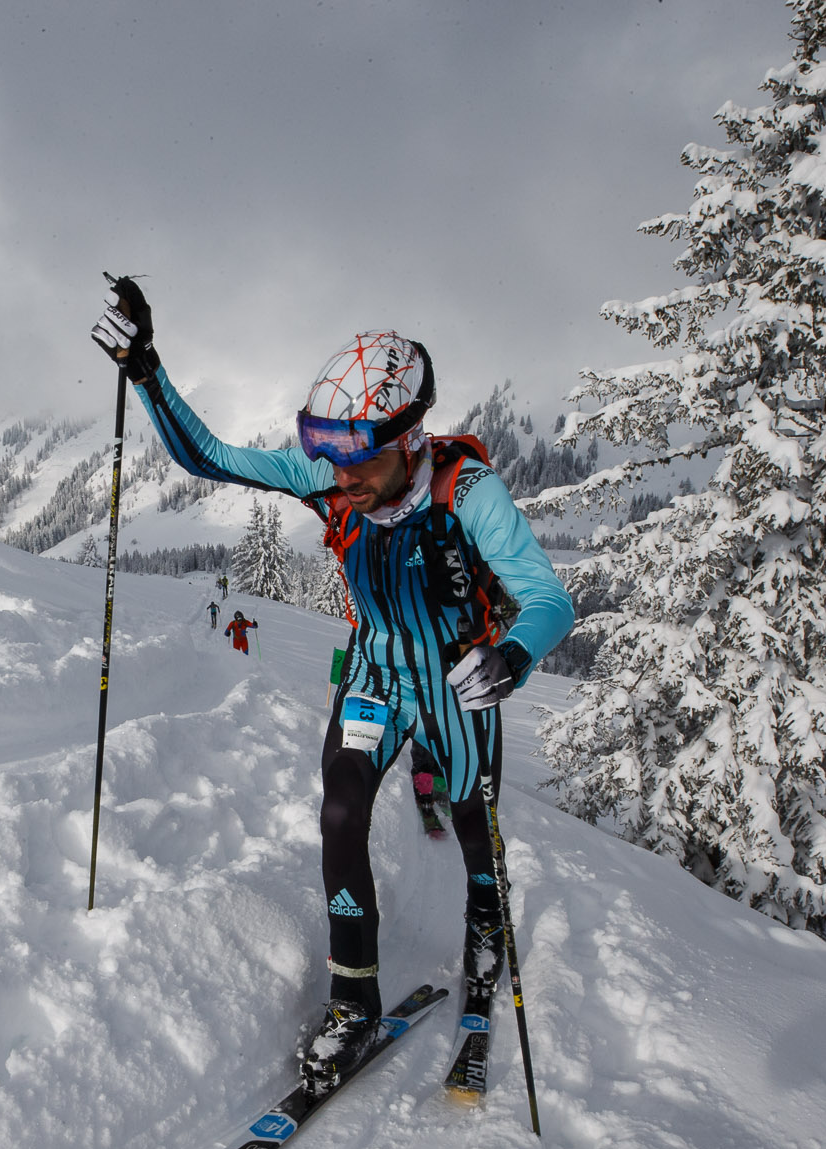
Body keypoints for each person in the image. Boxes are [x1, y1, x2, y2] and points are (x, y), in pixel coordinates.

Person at [93, 277, 574, 1096]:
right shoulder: (330, 473)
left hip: (457, 677)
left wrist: (515, 656)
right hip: (377, 668)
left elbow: (549, 596)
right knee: (342, 811)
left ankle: (485, 937)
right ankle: (354, 999)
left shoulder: (469, 492)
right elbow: (209, 457)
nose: (339, 476)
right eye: (331, 457)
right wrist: (147, 369)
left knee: (472, 821)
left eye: (360, 459)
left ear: (409, 439)